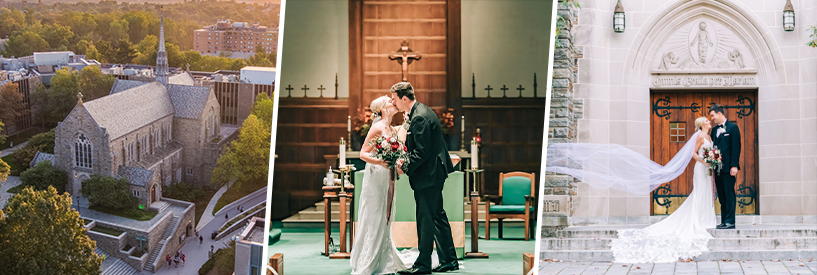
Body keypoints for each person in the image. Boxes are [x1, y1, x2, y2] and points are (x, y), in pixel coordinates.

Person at [546, 116, 725, 263]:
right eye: (707, 121)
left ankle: (705, 219)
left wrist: (713, 161)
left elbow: (709, 152)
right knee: (700, 192)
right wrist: (705, 161)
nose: (710, 121)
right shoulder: (700, 137)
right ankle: (698, 221)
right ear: (702, 124)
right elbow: (692, 153)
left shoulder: (709, 138)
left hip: (707, 171)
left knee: (705, 193)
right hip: (701, 168)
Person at [392, 82, 458, 274]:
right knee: (437, 216)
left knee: (426, 219)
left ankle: (422, 265)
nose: (394, 103)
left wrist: (404, 166)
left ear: (404, 98)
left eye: (395, 99)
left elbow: (421, 152)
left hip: (429, 175)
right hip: (434, 172)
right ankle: (449, 260)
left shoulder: (419, 117)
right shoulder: (421, 111)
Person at [349, 95, 408, 275]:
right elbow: (363, 154)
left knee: (387, 214)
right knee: (375, 214)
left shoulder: (391, 128)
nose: (393, 103)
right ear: (383, 108)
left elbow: (398, 148)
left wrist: (397, 162)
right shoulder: (377, 128)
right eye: (390, 102)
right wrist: (380, 162)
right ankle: (369, 259)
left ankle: (386, 256)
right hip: (376, 176)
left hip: (388, 176)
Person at [709, 104, 741, 229]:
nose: (711, 118)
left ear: (719, 114)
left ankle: (730, 222)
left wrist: (734, 166)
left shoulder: (733, 128)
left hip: (729, 168)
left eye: (712, 115)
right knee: (722, 196)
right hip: (717, 169)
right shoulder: (714, 130)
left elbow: (736, 148)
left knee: (729, 194)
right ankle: (724, 221)